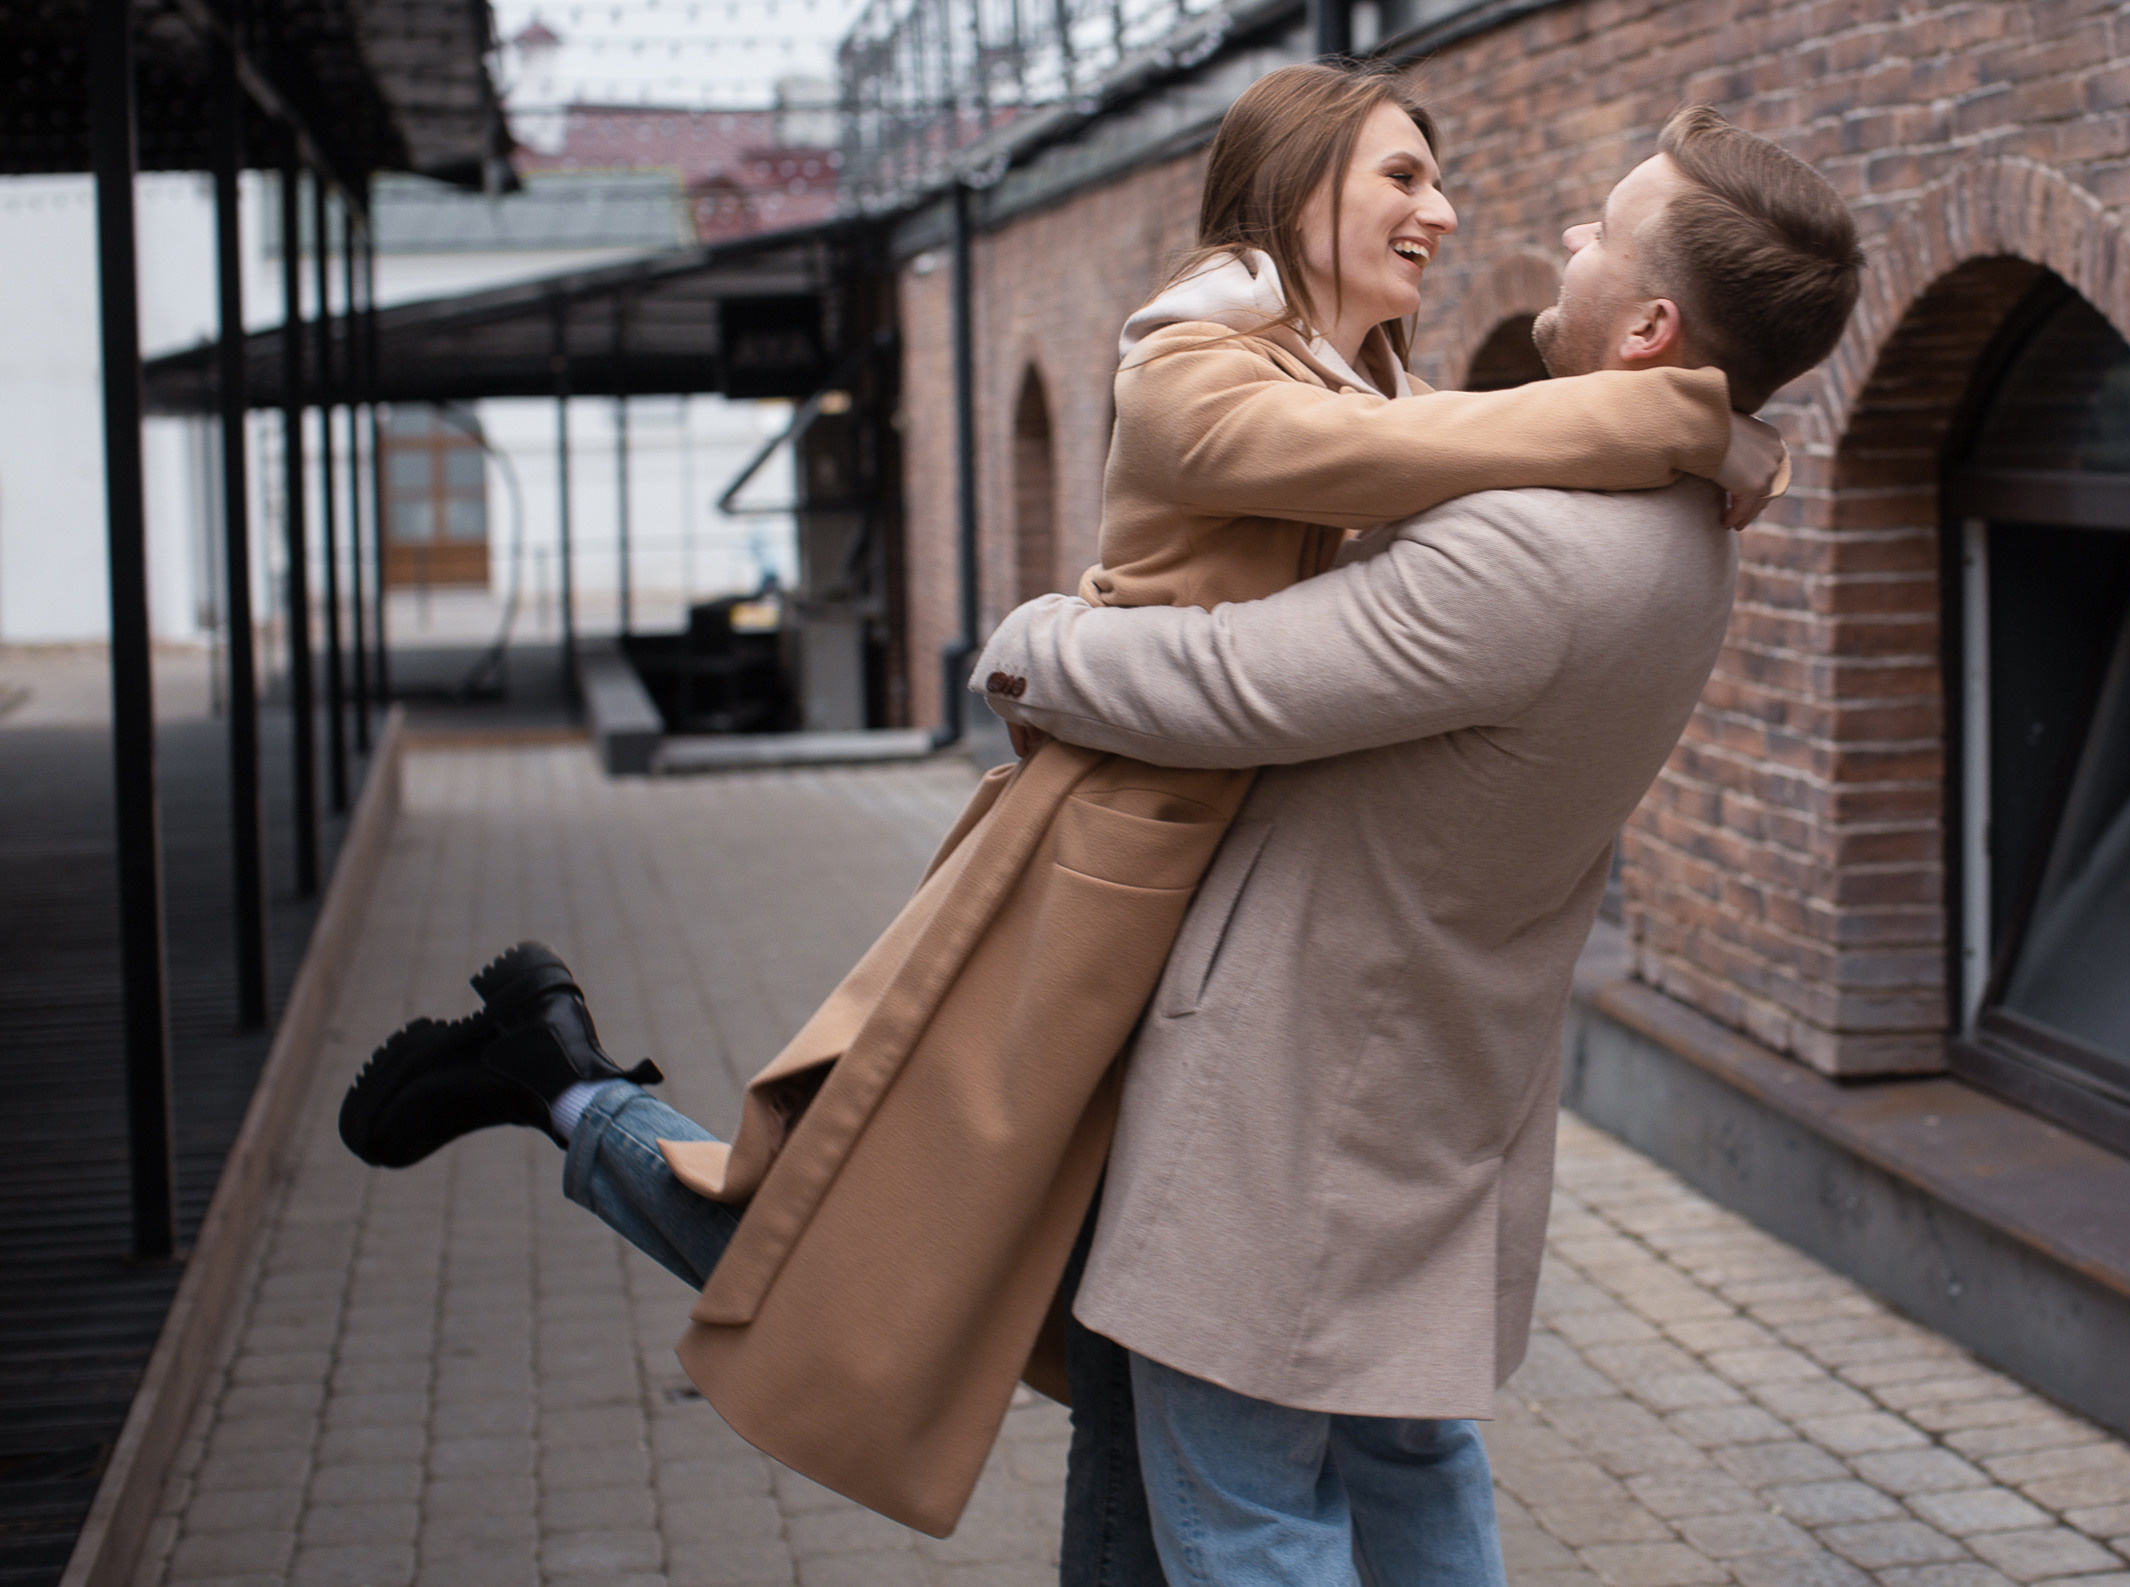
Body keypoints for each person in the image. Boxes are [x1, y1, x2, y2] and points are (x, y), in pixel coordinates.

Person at [336, 62, 1789, 1578]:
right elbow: (1441, 465)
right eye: (1402, 178)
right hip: (1099, 875)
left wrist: (1676, 427)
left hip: (1211, 916)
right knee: (884, 1239)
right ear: (1298, 192)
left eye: (1438, 177)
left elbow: (1450, 454)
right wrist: (1692, 424)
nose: (1446, 207)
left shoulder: (1376, 382)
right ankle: (568, 1089)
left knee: (1102, 1330)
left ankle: (554, 1078)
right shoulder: (1196, 355)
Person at [967, 103, 1864, 1584]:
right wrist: (1722, 425)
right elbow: (1436, 436)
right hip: (1437, 1087)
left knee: (1251, 1519)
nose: (1563, 235)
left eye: (1602, 229)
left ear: (1648, 324)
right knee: (1408, 1468)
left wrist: (1032, 645)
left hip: (1295, 1109)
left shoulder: (1539, 546)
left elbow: (1229, 682)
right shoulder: (1674, 512)